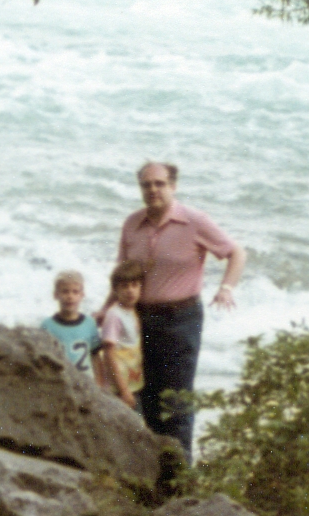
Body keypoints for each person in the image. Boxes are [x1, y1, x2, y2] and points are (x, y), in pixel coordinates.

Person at [114, 161, 245, 461]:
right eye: (146, 184)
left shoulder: (194, 221)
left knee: (176, 401)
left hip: (180, 320)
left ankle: (181, 476)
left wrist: (226, 288)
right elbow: (122, 275)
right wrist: (107, 310)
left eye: (159, 183)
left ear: (173, 186)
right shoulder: (132, 224)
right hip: (138, 318)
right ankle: (152, 472)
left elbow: (236, 253)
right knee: (142, 396)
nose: (153, 189)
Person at [40, 270, 102, 383]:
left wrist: (99, 383)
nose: (70, 296)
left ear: (82, 295)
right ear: (56, 295)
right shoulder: (47, 326)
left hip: (87, 383)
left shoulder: (89, 323)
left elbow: (95, 356)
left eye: (75, 292)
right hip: (61, 384)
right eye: (65, 291)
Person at [100, 259, 146, 410]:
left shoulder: (133, 311)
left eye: (134, 285)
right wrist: (124, 390)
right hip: (119, 388)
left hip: (133, 383)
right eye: (124, 286)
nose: (130, 290)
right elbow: (109, 353)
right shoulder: (114, 315)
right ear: (115, 290)